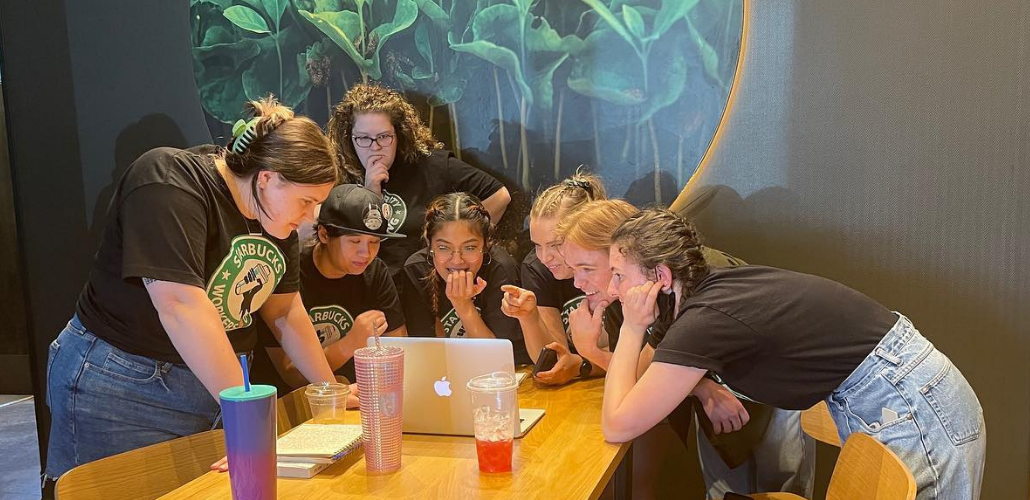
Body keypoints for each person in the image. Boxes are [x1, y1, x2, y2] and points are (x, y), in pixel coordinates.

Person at [44, 97, 341, 482]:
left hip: (217, 391)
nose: (310, 217)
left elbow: (285, 311)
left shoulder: (273, 216)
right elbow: (181, 306)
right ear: (266, 178)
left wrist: (329, 391)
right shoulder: (168, 180)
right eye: (307, 201)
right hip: (122, 387)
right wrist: (249, 426)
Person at [604, 208, 985, 500]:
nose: (611, 287)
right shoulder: (710, 300)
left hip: (907, 400)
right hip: (896, 391)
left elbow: (618, 424)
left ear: (662, 278)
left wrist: (631, 327)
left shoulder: (707, 318)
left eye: (619, 274)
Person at [557, 200, 814, 498]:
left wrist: (594, 351)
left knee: (784, 488)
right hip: (717, 410)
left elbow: (632, 397)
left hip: (777, 392)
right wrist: (701, 387)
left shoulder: (700, 278)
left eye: (587, 268)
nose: (577, 282)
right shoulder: (627, 299)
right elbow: (641, 375)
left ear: (621, 254)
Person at [326, 83, 511, 276]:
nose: (375, 147)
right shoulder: (340, 175)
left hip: (423, 284)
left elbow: (500, 196)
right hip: (366, 287)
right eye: (363, 138)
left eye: (384, 136)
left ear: (399, 134)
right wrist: (370, 194)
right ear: (350, 139)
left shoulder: (430, 165)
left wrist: (453, 245)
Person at [250, 184, 407, 396]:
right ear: (324, 235)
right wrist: (349, 343)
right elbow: (291, 375)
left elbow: (401, 350)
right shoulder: (288, 275)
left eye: (374, 242)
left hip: (357, 394)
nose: (366, 253)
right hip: (293, 405)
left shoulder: (375, 271)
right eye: (355, 240)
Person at [499, 171, 608, 385]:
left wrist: (581, 365)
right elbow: (555, 361)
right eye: (537, 245)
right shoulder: (537, 267)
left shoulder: (615, 266)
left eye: (556, 244)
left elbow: (638, 361)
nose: (545, 257)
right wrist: (529, 318)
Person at [400, 192, 529, 365]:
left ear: (485, 244)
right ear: (430, 246)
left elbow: (496, 361)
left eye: (469, 247)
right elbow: (424, 352)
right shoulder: (416, 270)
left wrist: (463, 305)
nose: (457, 260)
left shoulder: (501, 270)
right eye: (444, 248)